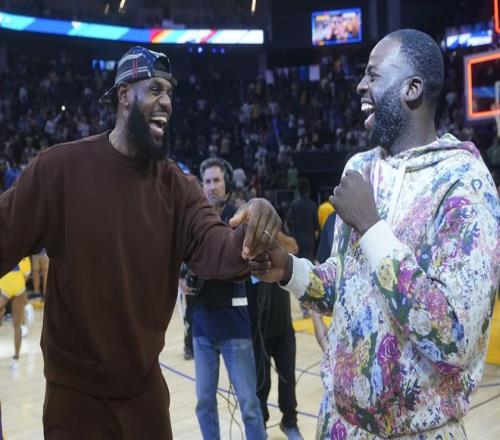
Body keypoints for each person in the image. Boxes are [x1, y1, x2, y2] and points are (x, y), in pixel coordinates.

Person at [0, 46, 281, 440]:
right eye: (155, 90)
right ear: (124, 95)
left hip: (144, 392)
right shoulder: (59, 169)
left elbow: (215, 245)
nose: (166, 101)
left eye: (169, 92)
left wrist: (250, 230)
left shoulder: (177, 186)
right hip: (75, 398)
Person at [253, 29, 500, 439]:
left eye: (373, 74)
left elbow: (454, 335)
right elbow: (342, 287)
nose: (360, 85)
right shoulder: (360, 168)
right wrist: (289, 270)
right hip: (339, 426)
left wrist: (372, 228)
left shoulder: (464, 183)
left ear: (412, 89)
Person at [180, 157, 265, 440]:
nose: (212, 186)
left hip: (234, 325)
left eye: (217, 180)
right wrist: (181, 279)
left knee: (249, 405)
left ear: (227, 183)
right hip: (202, 326)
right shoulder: (193, 222)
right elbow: (178, 260)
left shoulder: (239, 217)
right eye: (207, 181)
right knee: (204, 404)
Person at [247, 231, 304, 440]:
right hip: (257, 330)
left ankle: (289, 422)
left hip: (283, 327)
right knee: (261, 383)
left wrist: (271, 233)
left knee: (288, 377)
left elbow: (294, 247)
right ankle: (260, 425)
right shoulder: (244, 245)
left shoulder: (277, 238)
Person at [0, 257, 31, 370]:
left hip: (5, 283)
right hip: (18, 285)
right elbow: (27, 273)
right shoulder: (23, 254)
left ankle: (2, 314)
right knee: (17, 326)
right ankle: (16, 358)